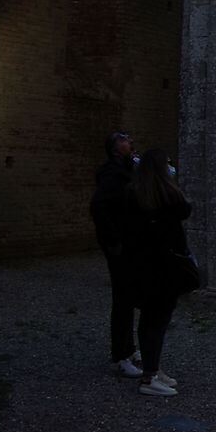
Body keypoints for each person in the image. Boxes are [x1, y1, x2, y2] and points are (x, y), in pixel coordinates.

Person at [121, 147, 195, 397]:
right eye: (167, 164)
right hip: (163, 268)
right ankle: (150, 377)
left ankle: (151, 369)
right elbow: (185, 209)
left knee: (149, 320)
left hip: (143, 266)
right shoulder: (166, 194)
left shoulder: (135, 193)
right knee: (158, 321)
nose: (170, 167)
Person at [90, 129, 140, 375]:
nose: (129, 142)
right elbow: (98, 207)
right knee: (122, 299)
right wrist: (113, 240)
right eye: (123, 140)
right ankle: (120, 355)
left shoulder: (127, 171)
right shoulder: (112, 175)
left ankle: (129, 347)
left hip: (129, 243)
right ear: (114, 150)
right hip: (120, 246)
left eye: (128, 139)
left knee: (129, 297)